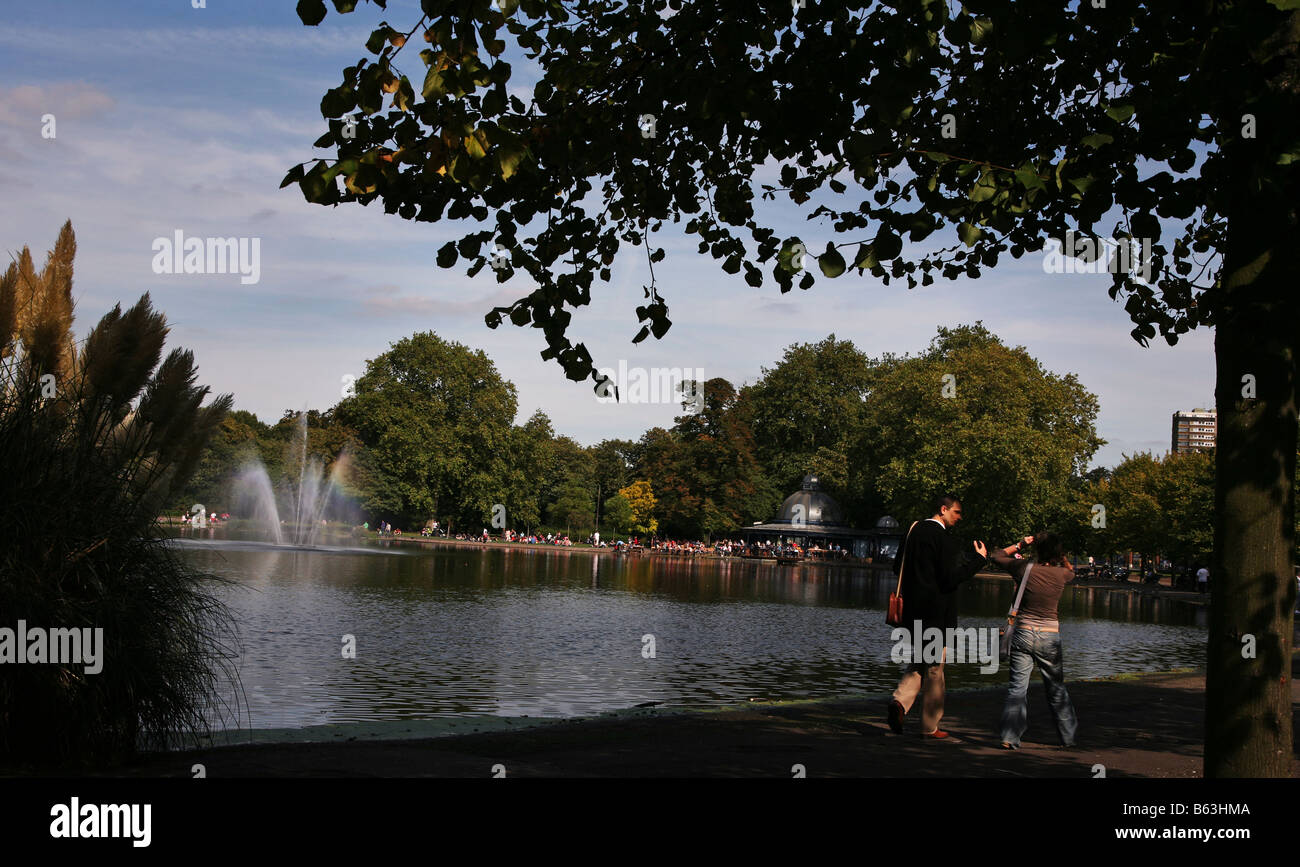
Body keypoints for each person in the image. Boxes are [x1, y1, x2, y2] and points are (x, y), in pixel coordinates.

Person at [887, 494, 988, 738]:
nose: (959, 517)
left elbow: (896, 566)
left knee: (922, 660)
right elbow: (950, 578)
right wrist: (979, 560)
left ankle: (900, 702)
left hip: (911, 611)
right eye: (956, 512)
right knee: (935, 669)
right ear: (943, 509)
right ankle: (929, 726)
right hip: (937, 613)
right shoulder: (944, 540)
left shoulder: (912, 530)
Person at [990, 532, 1079, 750]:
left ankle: (1010, 737)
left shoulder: (1024, 569)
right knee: (1056, 688)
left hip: (1023, 633)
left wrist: (1020, 543)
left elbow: (996, 555)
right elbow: (1071, 571)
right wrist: (1062, 556)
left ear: (1037, 550)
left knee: (1017, 689)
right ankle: (1068, 737)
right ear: (1057, 553)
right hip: (1049, 635)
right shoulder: (1062, 575)